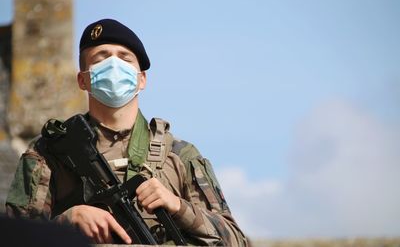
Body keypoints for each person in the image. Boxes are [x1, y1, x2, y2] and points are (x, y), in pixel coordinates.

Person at [5, 18, 248, 246]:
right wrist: (67, 220)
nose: (114, 64)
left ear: (141, 79)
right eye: (101, 57)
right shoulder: (49, 152)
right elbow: (14, 238)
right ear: (82, 80)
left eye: (124, 57)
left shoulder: (179, 156)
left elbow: (237, 240)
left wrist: (178, 206)